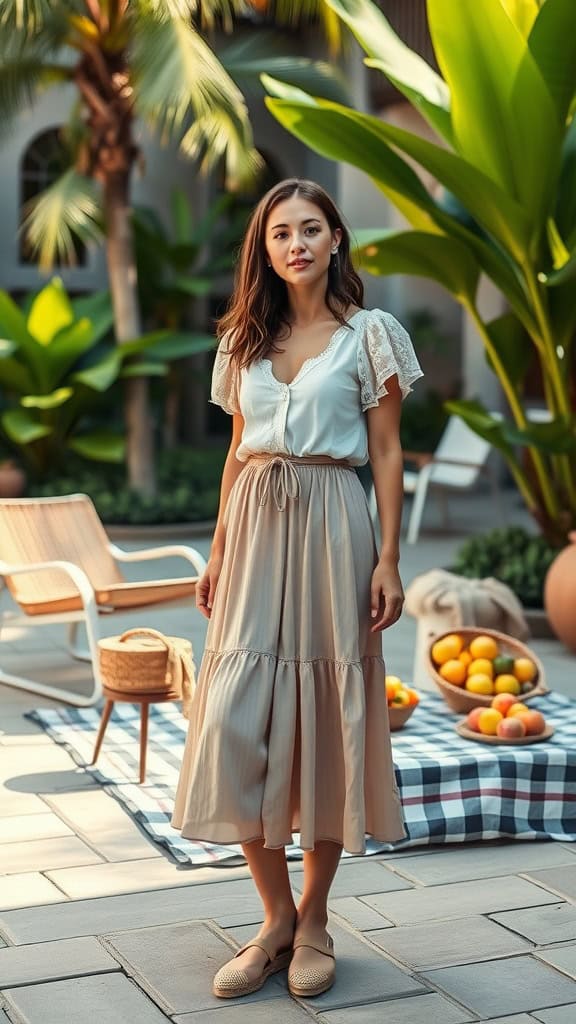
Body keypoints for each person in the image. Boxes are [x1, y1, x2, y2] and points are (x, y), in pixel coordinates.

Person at [172, 177, 423, 1000]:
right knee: (237, 722)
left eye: (310, 228)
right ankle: (274, 919)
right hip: (252, 528)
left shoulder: (370, 336)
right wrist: (214, 553)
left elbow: (386, 452)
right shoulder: (244, 338)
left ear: (336, 238)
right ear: (266, 248)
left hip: (333, 526)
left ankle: (315, 919)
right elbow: (237, 451)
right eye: (281, 233)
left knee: (325, 721)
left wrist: (388, 558)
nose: (296, 244)